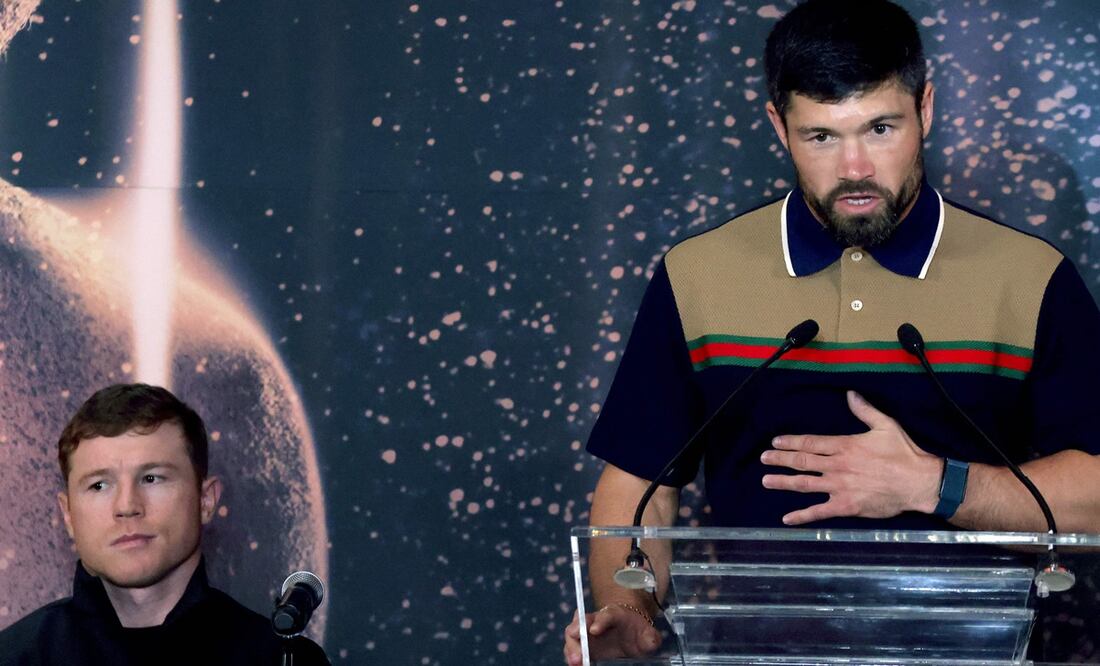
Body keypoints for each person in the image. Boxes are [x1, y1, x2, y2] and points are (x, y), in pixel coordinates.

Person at [563, 0, 1100, 662]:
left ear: (925, 110)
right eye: (821, 136)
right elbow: (640, 484)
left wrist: (935, 485)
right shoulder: (697, 275)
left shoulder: (1032, 278)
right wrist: (629, 611)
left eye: (880, 129)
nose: (853, 169)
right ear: (778, 128)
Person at [0, 383, 330, 666]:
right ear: (68, 515)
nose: (127, 506)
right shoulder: (13, 657)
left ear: (206, 500)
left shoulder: (282, 660)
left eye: (152, 478)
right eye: (99, 485)